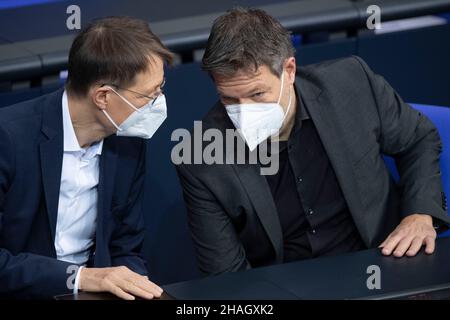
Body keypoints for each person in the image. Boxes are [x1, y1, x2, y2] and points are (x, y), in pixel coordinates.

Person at [176, 8, 449, 275]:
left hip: (383, 261)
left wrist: (420, 214)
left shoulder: (351, 83)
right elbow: (227, 276)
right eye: (229, 99)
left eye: (257, 94)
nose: (243, 110)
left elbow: (418, 139)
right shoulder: (202, 156)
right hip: (286, 286)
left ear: (289, 71)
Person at [0, 16, 173, 299]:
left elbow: (126, 247)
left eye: (161, 88)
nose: (158, 104)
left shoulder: (129, 139)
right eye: (149, 96)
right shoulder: (8, 138)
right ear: (103, 97)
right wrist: (80, 277)